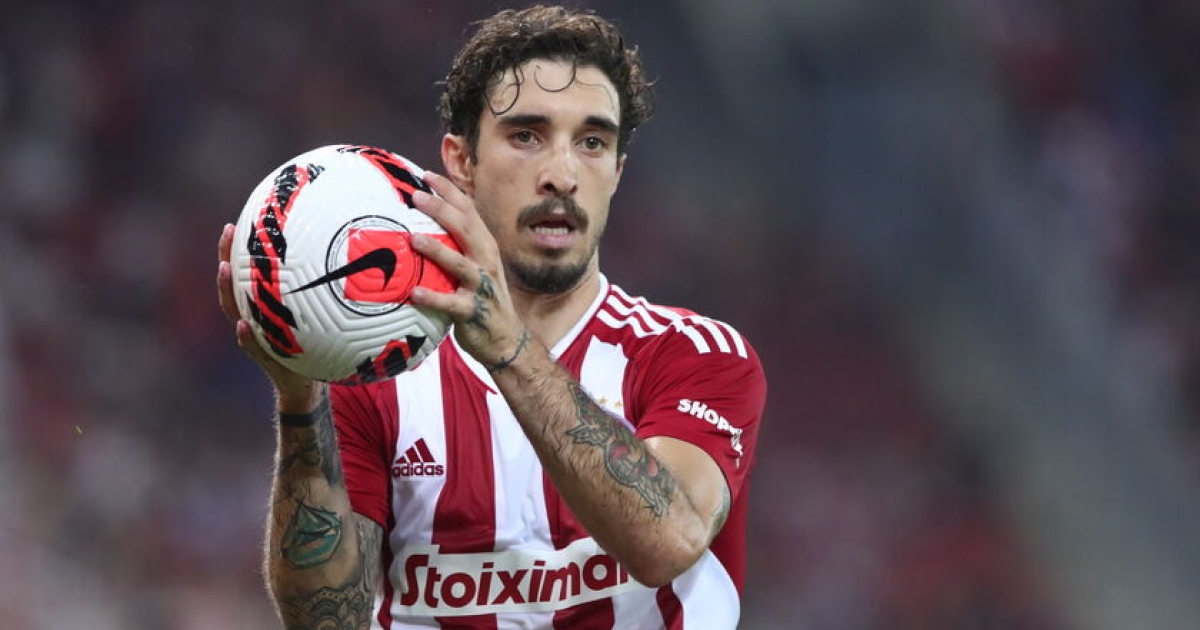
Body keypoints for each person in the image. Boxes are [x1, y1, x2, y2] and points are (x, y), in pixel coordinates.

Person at [216, 5, 766, 628]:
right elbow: (326, 621)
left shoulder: (696, 354)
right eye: (526, 135)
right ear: (461, 162)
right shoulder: (374, 367)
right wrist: (301, 402)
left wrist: (509, 348)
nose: (561, 175)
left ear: (617, 173)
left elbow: (667, 543)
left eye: (592, 143)